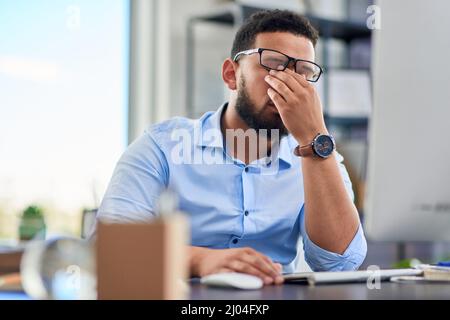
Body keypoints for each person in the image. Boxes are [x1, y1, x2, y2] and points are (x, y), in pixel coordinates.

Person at [92, 9, 367, 286]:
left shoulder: (319, 156)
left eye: (304, 73)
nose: (289, 84)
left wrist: (314, 138)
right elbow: (109, 248)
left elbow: (340, 262)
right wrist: (200, 260)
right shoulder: (162, 147)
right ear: (231, 74)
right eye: (272, 64)